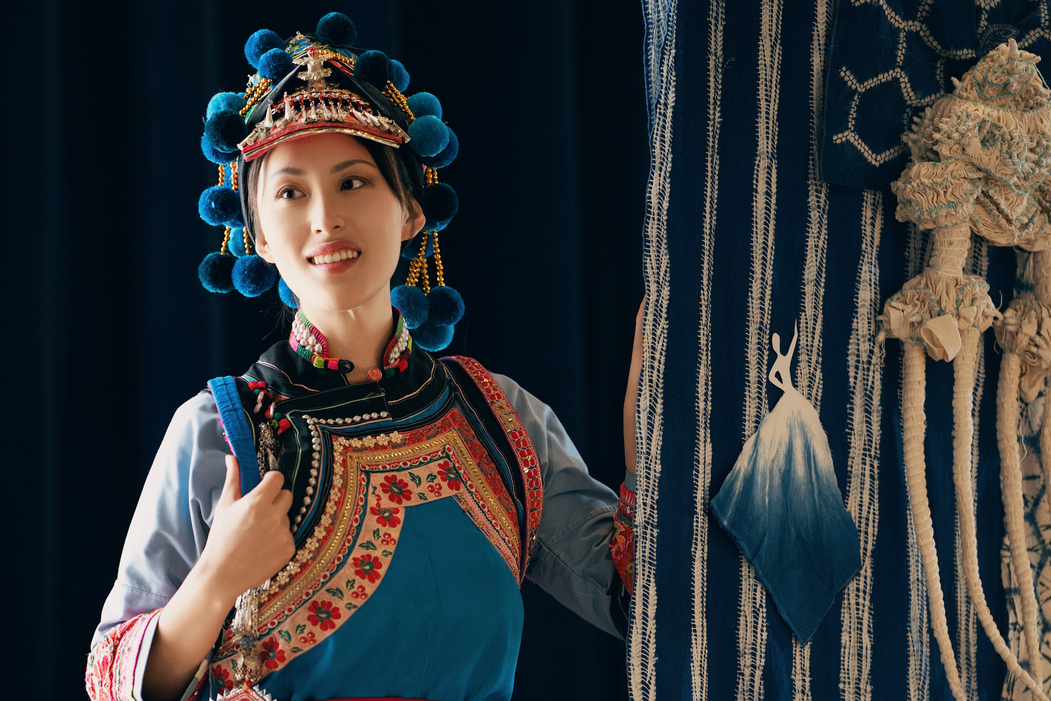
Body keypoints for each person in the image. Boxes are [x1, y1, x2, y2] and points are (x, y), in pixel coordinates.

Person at [85, 13, 639, 701]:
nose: (325, 217)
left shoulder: (499, 417)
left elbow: (644, 602)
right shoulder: (218, 435)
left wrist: (649, 431)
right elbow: (112, 684)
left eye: (353, 182)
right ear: (258, 237)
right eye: (291, 192)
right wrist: (217, 578)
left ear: (411, 211)